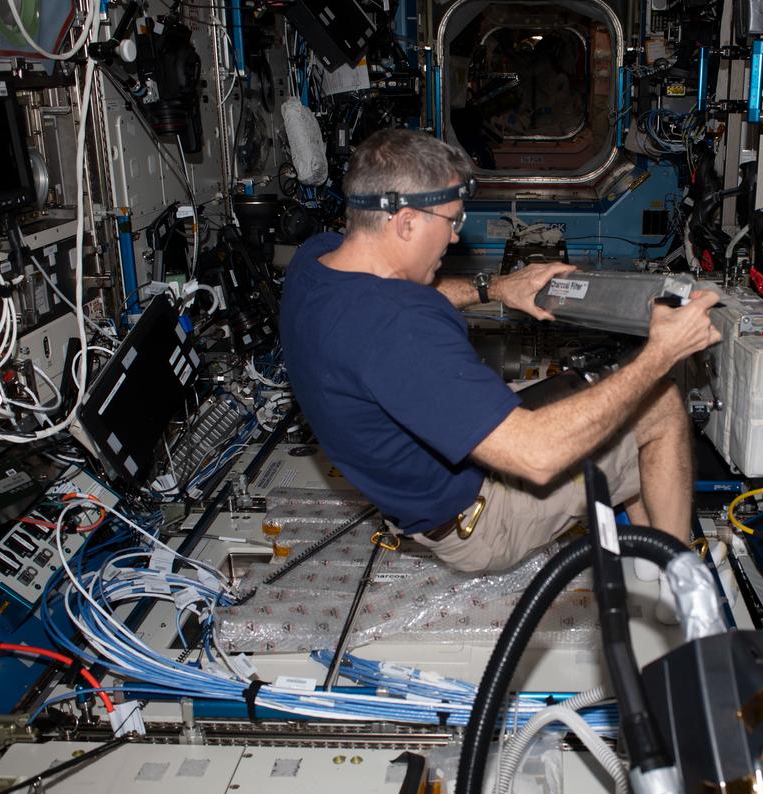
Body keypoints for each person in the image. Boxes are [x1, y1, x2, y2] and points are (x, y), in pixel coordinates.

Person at [280, 128, 721, 585]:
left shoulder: (318, 262)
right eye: (450, 221)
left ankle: (647, 551)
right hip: (481, 519)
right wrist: (660, 352)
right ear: (406, 222)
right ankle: (682, 582)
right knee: (660, 402)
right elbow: (537, 455)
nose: (454, 238)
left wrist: (496, 288)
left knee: (604, 395)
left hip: (435, 475)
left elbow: (403, 294)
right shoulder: (400, 331)